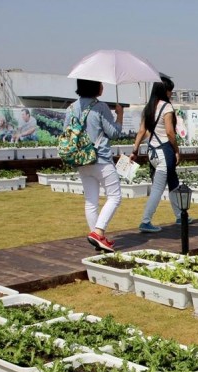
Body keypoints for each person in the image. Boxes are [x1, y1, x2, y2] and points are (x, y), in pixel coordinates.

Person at [64, 79, 124, 252]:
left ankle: (97, 238)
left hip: (81, 159)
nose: (103, 86)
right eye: (100, 83)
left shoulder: (71, 108)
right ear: (94, 87)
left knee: (91, 201)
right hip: (101, 159)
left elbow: (66, 133)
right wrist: (119, 115)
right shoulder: (100, 107)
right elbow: (113, 133)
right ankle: (98, 233)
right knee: (115, 196)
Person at [131, 75, 183, 233]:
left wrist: (135, 151)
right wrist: (177, 150)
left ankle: (181, 215)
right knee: (158, 189)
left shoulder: (148, 108)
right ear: (164, 91)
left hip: (152, 153)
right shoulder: (167, 108)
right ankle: (145, 221)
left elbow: (141, 131)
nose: (171, 94)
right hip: (164, 152)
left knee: (173, 182)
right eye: (169, 91)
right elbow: (170, 133)